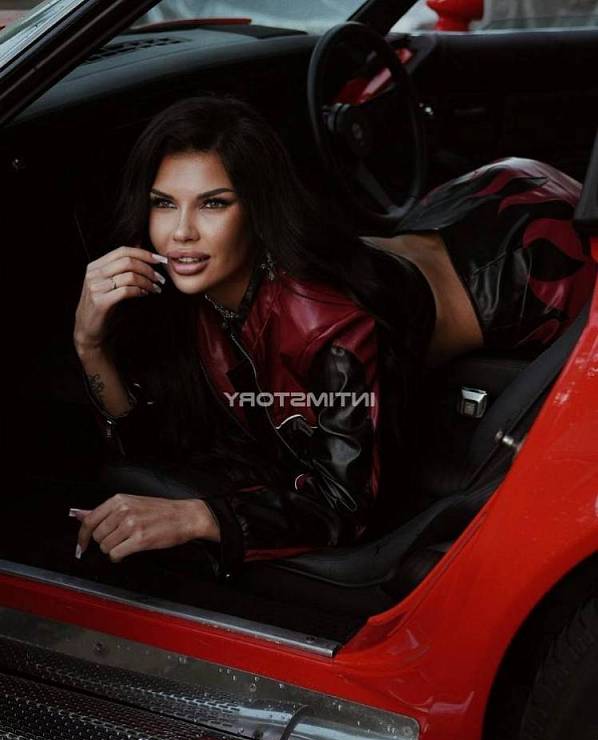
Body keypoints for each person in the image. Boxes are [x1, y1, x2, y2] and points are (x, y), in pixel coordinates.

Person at [72, 95, 595, 579]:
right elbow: (162, 445)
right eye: (164, 203)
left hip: (533, 256)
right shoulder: (186, 281)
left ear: (256, 208)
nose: (181, 232)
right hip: (450, 211)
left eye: (213, 203)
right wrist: (89, 344)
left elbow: (346, 504)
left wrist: (196, 518)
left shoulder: (328, 324)